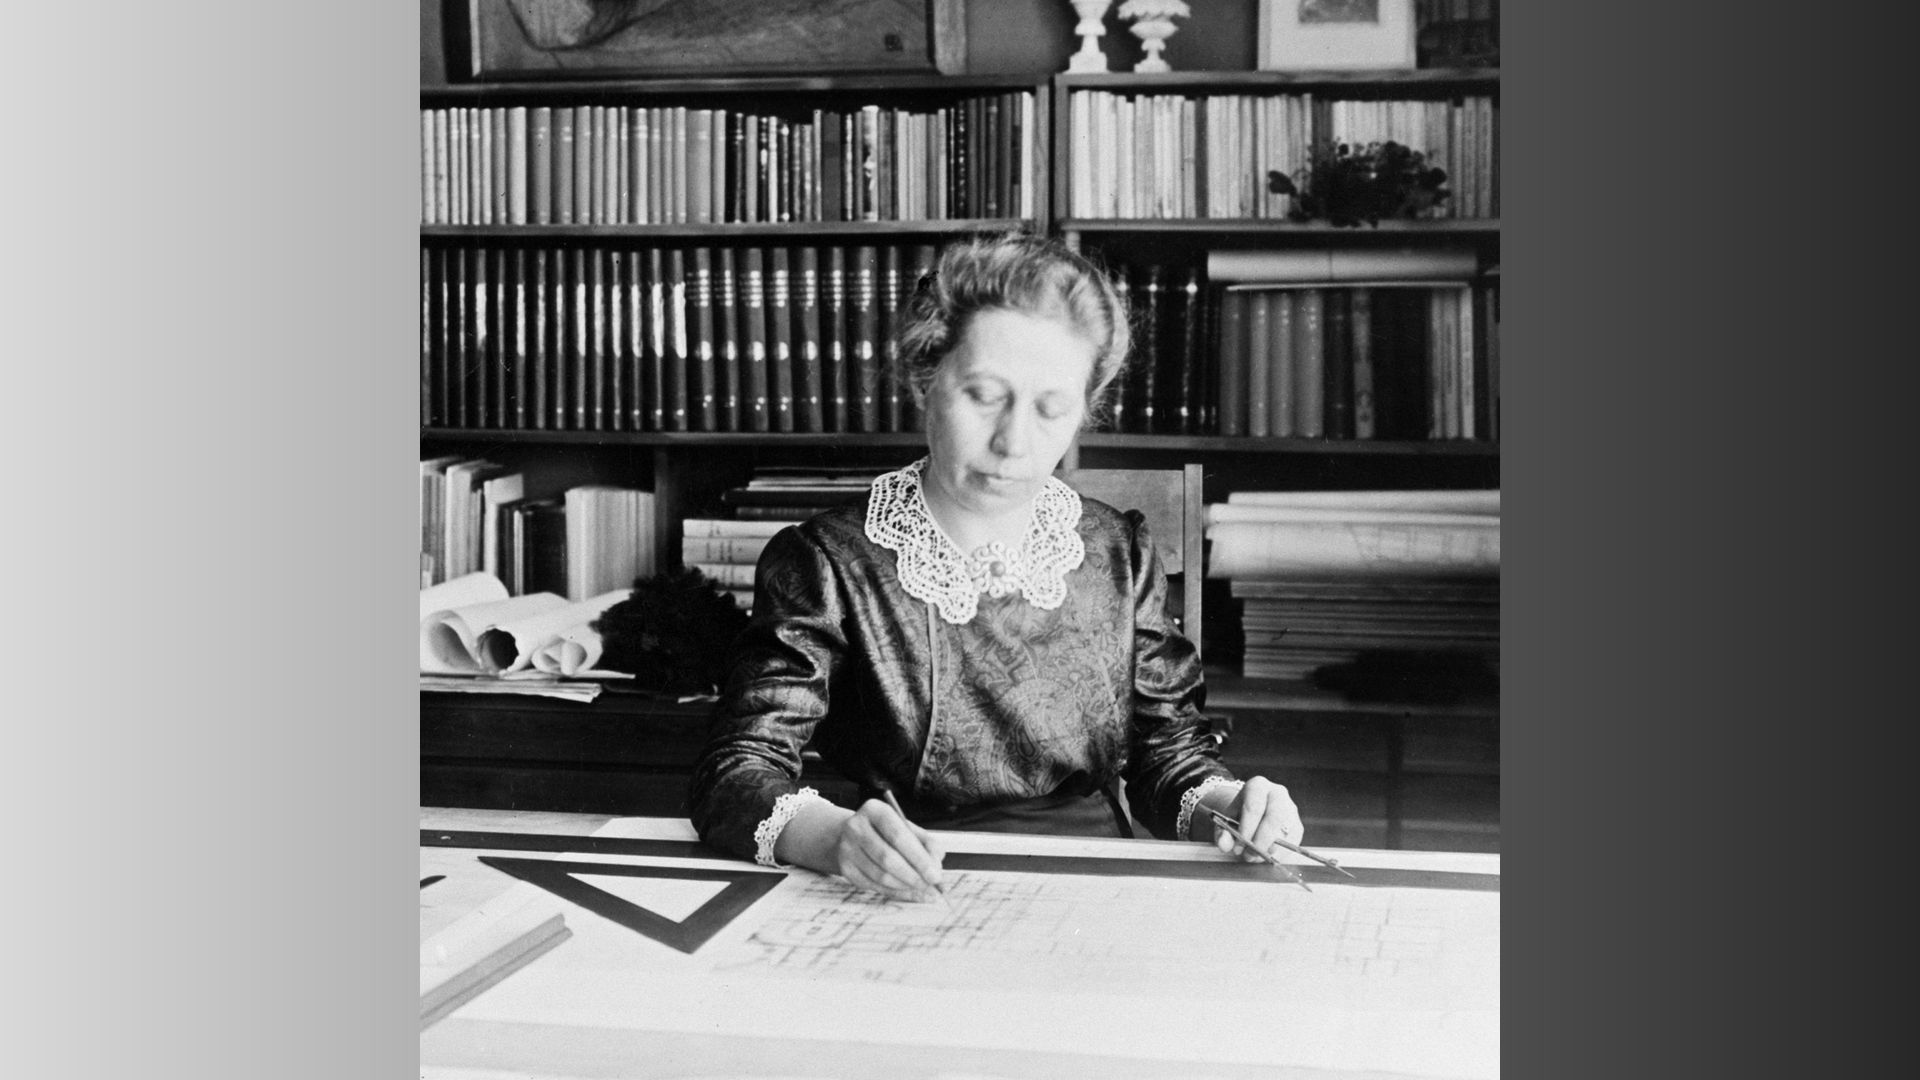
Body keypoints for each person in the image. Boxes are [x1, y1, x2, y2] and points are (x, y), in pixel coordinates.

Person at [688, 233, 1303, 901]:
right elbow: (736, 771)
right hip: (903, 881)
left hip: (1092, 888)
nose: (1014, 442)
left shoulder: (1117, 550)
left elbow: (1168, 758)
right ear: (926, 379)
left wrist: (1232, 807)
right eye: (984, 395)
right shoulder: (828, 561)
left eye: (1051, 408)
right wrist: (836, 837)